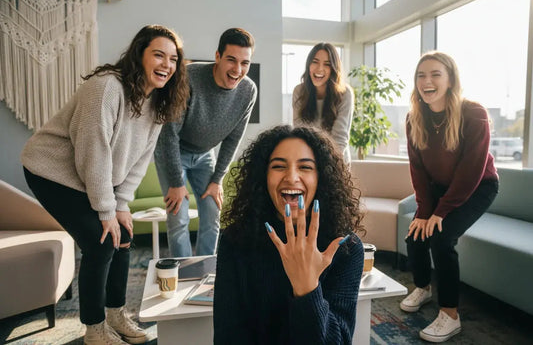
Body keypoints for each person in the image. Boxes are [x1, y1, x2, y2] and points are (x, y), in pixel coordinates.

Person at [21, 24, 189, 345]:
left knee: (123, 234)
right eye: (158, 55)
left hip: (89, 176)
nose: (167, 64)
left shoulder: (157, 103)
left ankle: (115, 313)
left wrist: (121, 205)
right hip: (50, 171)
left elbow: (140, 160)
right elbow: (93, 153)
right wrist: (105, 209)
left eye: (173, 59)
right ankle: (94, 329)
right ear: (139, 55)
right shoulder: (106, 87)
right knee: (100, 241)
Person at [214, 125, 365, 345]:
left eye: (305, 167)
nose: (291, 177)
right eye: (278, 166)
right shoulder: (235, 240)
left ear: (321, 176)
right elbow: (227, 335)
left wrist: (307, 288)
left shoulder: (344, 247)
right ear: (263, 176)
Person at [402, 51, 499, 343]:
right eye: (421, 75)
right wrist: (423, 211)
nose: (426, 81)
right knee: (416, 234)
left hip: (479, 185)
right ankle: (423, 287)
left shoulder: (474, 113)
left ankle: (450, 315)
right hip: (439, 187)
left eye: (435, 74)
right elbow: (417, 169)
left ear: (451, 79)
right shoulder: (413, 118)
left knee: (442, 239)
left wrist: (440, 212)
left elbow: (471, 170)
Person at [154, 27, 257, 257]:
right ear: (217, 57)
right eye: (231, 60)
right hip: (174, 152)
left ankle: (206, 273)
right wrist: (175, 182)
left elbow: (233, 138)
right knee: (178, 218)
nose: (238, 70)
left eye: (245, 63)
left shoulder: (248, 90)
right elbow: (169, 132)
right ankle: (182, 277)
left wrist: (217, 179)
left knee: (212, 214)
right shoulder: (188, 77)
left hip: (204, 155)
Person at [292, 42, 354, 163]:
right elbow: (299, 133)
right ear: (308, 65)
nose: (319, 69)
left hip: (336, 162)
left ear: (333, 70)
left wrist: (324, 166)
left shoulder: (345, 93)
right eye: (315, 62)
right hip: (307, 160)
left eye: (327, 64)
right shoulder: (299, 91)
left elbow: (339, 139)